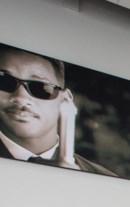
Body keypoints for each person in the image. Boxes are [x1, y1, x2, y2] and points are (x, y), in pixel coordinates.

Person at [0, 44, 116, 175]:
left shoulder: (103, 178)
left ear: (65, 99)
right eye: (4, 81)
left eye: (41, 87)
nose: (20, 97)